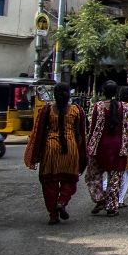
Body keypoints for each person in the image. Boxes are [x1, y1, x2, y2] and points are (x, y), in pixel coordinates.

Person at [23, 82, 87, 225]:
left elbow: (38, 132)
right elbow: (81, 134)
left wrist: (36, 153)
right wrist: (82, 154)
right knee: (69, 180)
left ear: (54, 95)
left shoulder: (47, 110)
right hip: (71, 149)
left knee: (49, 183)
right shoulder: (77, 110)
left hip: (50, 149)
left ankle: (53, 215)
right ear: (68, 94)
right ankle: (62, 201)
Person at [86, 81, 128, 217]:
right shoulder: (125, 107)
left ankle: (100, 199)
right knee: (115, 178)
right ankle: (112, 206)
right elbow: (127, 128)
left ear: (103, 92)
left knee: (93, 176)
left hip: (101, 147)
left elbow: (93, 128)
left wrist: (89, 146)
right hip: (119, 146)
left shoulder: (99, 106)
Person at [103, 86, 128, 207]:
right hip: (125, 144)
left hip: (109, 143)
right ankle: (118, 199)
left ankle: (106, 194)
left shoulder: (113, 106)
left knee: (112, 171)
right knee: (123, 172)